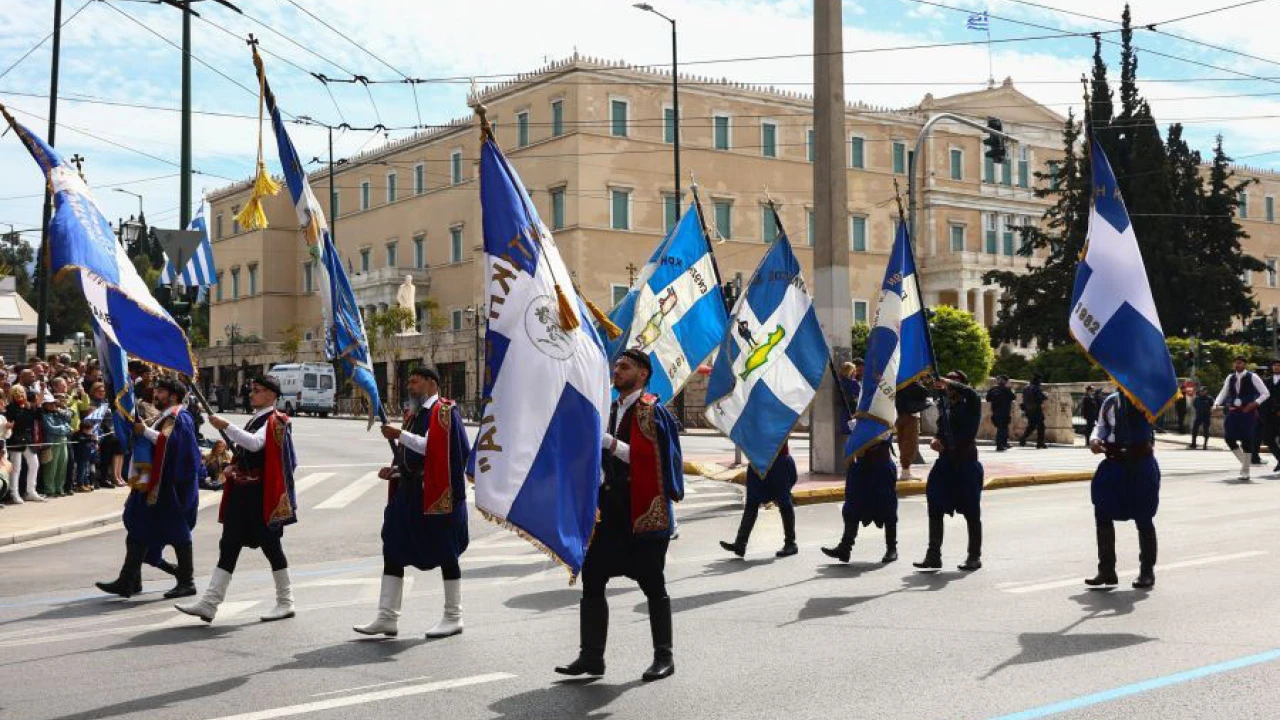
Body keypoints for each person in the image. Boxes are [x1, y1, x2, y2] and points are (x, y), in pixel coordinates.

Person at [556, 349, 683, 682]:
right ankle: (591, 656)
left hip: (640, 513)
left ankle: (664, 656)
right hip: (607, 514)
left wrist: (608, 443)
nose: (617, 371)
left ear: (642, 374)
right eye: (616, 366)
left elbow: (653, 459)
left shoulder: (653, 411)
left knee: (653, 585)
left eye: (624, 366)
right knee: (593, 579)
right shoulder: (607, 409)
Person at [355, 367, 470, 639]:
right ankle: (387, 617)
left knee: (445, 552)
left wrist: (399, 435)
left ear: (431, 383)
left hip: (436, 494)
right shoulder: (413, 414)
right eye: (408, 381)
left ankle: (454, 616)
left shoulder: (445, 412)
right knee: (392, 547)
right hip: (409, 494)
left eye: (415, 381)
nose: (410, 386)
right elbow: (412, 457)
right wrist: (395, 470)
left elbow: (435, 448)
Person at [177, 376, 299, 623]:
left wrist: (227, 425)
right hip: (244, 494)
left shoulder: (277, 420)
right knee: (229, 545)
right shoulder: (256, 419)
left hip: (261, 496)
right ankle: (210, 603)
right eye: (252, 390)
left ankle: (285, 602)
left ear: (272, 395)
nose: (251, 394)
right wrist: (234, 466)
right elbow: (246, 451)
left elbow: (255, 445)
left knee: (271, 547)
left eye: (258, 390)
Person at [96, 378, 202, 599]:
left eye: (161, 391)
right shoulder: (165, 415)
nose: (157, 395)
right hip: (153, 483)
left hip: (169, 486)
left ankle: (186, 581)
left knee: (177, 531)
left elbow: (172, 444)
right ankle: (130, 581)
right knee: (138, 529)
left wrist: (144, 431)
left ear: (173, 395)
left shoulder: (179, 415)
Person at [1085, 391, 1160, 590]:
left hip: (1140, 464)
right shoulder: (1110, 401)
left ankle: (1147, 571)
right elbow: (1101, 426)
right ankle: (1106, 570)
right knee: (1102, 511)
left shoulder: (1148, 399)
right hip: (1114, 462)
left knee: (1144, 516)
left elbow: (1154, 416)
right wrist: (1095, 440)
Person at [915, 371, 984, 573]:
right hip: (945, 463)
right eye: (948, 382)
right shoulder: (945, 406)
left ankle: (974, 556)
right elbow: (940, 430)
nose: (949, 387)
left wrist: (947, 381)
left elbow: (971, 393)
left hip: (966, 463)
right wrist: (936, 441)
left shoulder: (972, 403)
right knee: (934, 505)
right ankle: (933, 556)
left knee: (971, 512)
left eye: (954, 383)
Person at [822, 427, 899, 564]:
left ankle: (892, 548)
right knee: (852, 505)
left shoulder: (883, 410)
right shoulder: (860, 412)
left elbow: (886, 429)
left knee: (887, 507)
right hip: (861, 466)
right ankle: (845, 548)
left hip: (881, 467)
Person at [719, 441, 797, 559]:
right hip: (758, 462)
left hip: (778, 461)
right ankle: (740, 543)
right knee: (752, 502)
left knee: (784, 501)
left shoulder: (777, 421)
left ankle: (790, 543)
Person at [1214, 356, 1269, 481]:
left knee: (1246, 441)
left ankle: (1245, 471)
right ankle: (1245, 463)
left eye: (1239, 363)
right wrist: (1216, 403)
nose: (1237, 365)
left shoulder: (1252, 377)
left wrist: (1255, 403)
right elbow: (1224, 391)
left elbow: (1266, 393)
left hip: (1247, 412)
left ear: (1245, 365)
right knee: (1229, 438)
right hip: (1233, 412)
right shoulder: (1230, 377)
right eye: (1235, 363)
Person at [5, 386, 42, 504]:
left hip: (28, 439)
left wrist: (36, 406)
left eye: (22, 392)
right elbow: (17, 421)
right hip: (16, 440)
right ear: (12, 395)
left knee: (34, 464)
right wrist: (26, 409)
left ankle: (31, 491)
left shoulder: (28, 406)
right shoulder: (10, 408)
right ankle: (14, 493)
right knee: (16, 468)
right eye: (16, 393)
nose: (20, 395)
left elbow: (38, 418)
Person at [39, 392, 72, 498]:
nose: (52, 405)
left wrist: (62, 428)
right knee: (51, 466)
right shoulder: (44, 416)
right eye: (49, 403)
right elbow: (50, 428)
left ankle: (59, 488)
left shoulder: (59, 414)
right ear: (45, 405)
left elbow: (68, 423)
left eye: (53, 403)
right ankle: (50, 488)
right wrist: (63, 429)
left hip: (63, 440)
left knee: (62, 465)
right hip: (53, 441)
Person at [895, 380, 929, 481]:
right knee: (910, 443)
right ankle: (906, 472)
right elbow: (925, 392)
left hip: (899, 414)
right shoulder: (911, 381)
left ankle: (905, 470)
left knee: (902, 442)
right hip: (910, 415)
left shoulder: (897, 381)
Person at [986, 376, 1016, 452]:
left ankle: (1004, 443)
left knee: (1003, 428)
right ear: (1005, 381)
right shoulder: (1007, 389)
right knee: (1002, 428)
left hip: (995, 411)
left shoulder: (993, 389)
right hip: (1004, 412)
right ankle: (1000, 445)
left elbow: (987, 398)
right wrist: (1008, 388)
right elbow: (1013, 397)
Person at [1019, 374, 1048, 449]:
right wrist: (1045, 396)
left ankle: (1023, 438)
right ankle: (1040, 443)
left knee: (1031, 425)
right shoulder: (1036, 388)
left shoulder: (1026, 388)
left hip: (1028, 410)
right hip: (1036, 409)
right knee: (1041, 426)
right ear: (1038, 381)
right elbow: (1040, 397)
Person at [1261, 361, 1280, 472]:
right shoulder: (1266, 381)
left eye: (1278, 365)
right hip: (1269, 415)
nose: (1276, 367)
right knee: (1268, 439)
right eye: (1275, 365)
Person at [1190, 386, 1213, 450]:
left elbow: (1212, 406)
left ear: (1206, 391)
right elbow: (1194, 405)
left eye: (1204, 391)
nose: (1203, 392)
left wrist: (1209, 412)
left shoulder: (1209, 399)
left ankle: (1205, 445)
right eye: (1202, 391)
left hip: (1206, 417)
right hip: (1198, 416)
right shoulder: (1197, 399)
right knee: (1194, 430)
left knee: (1206, 431)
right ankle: (1193, 443)